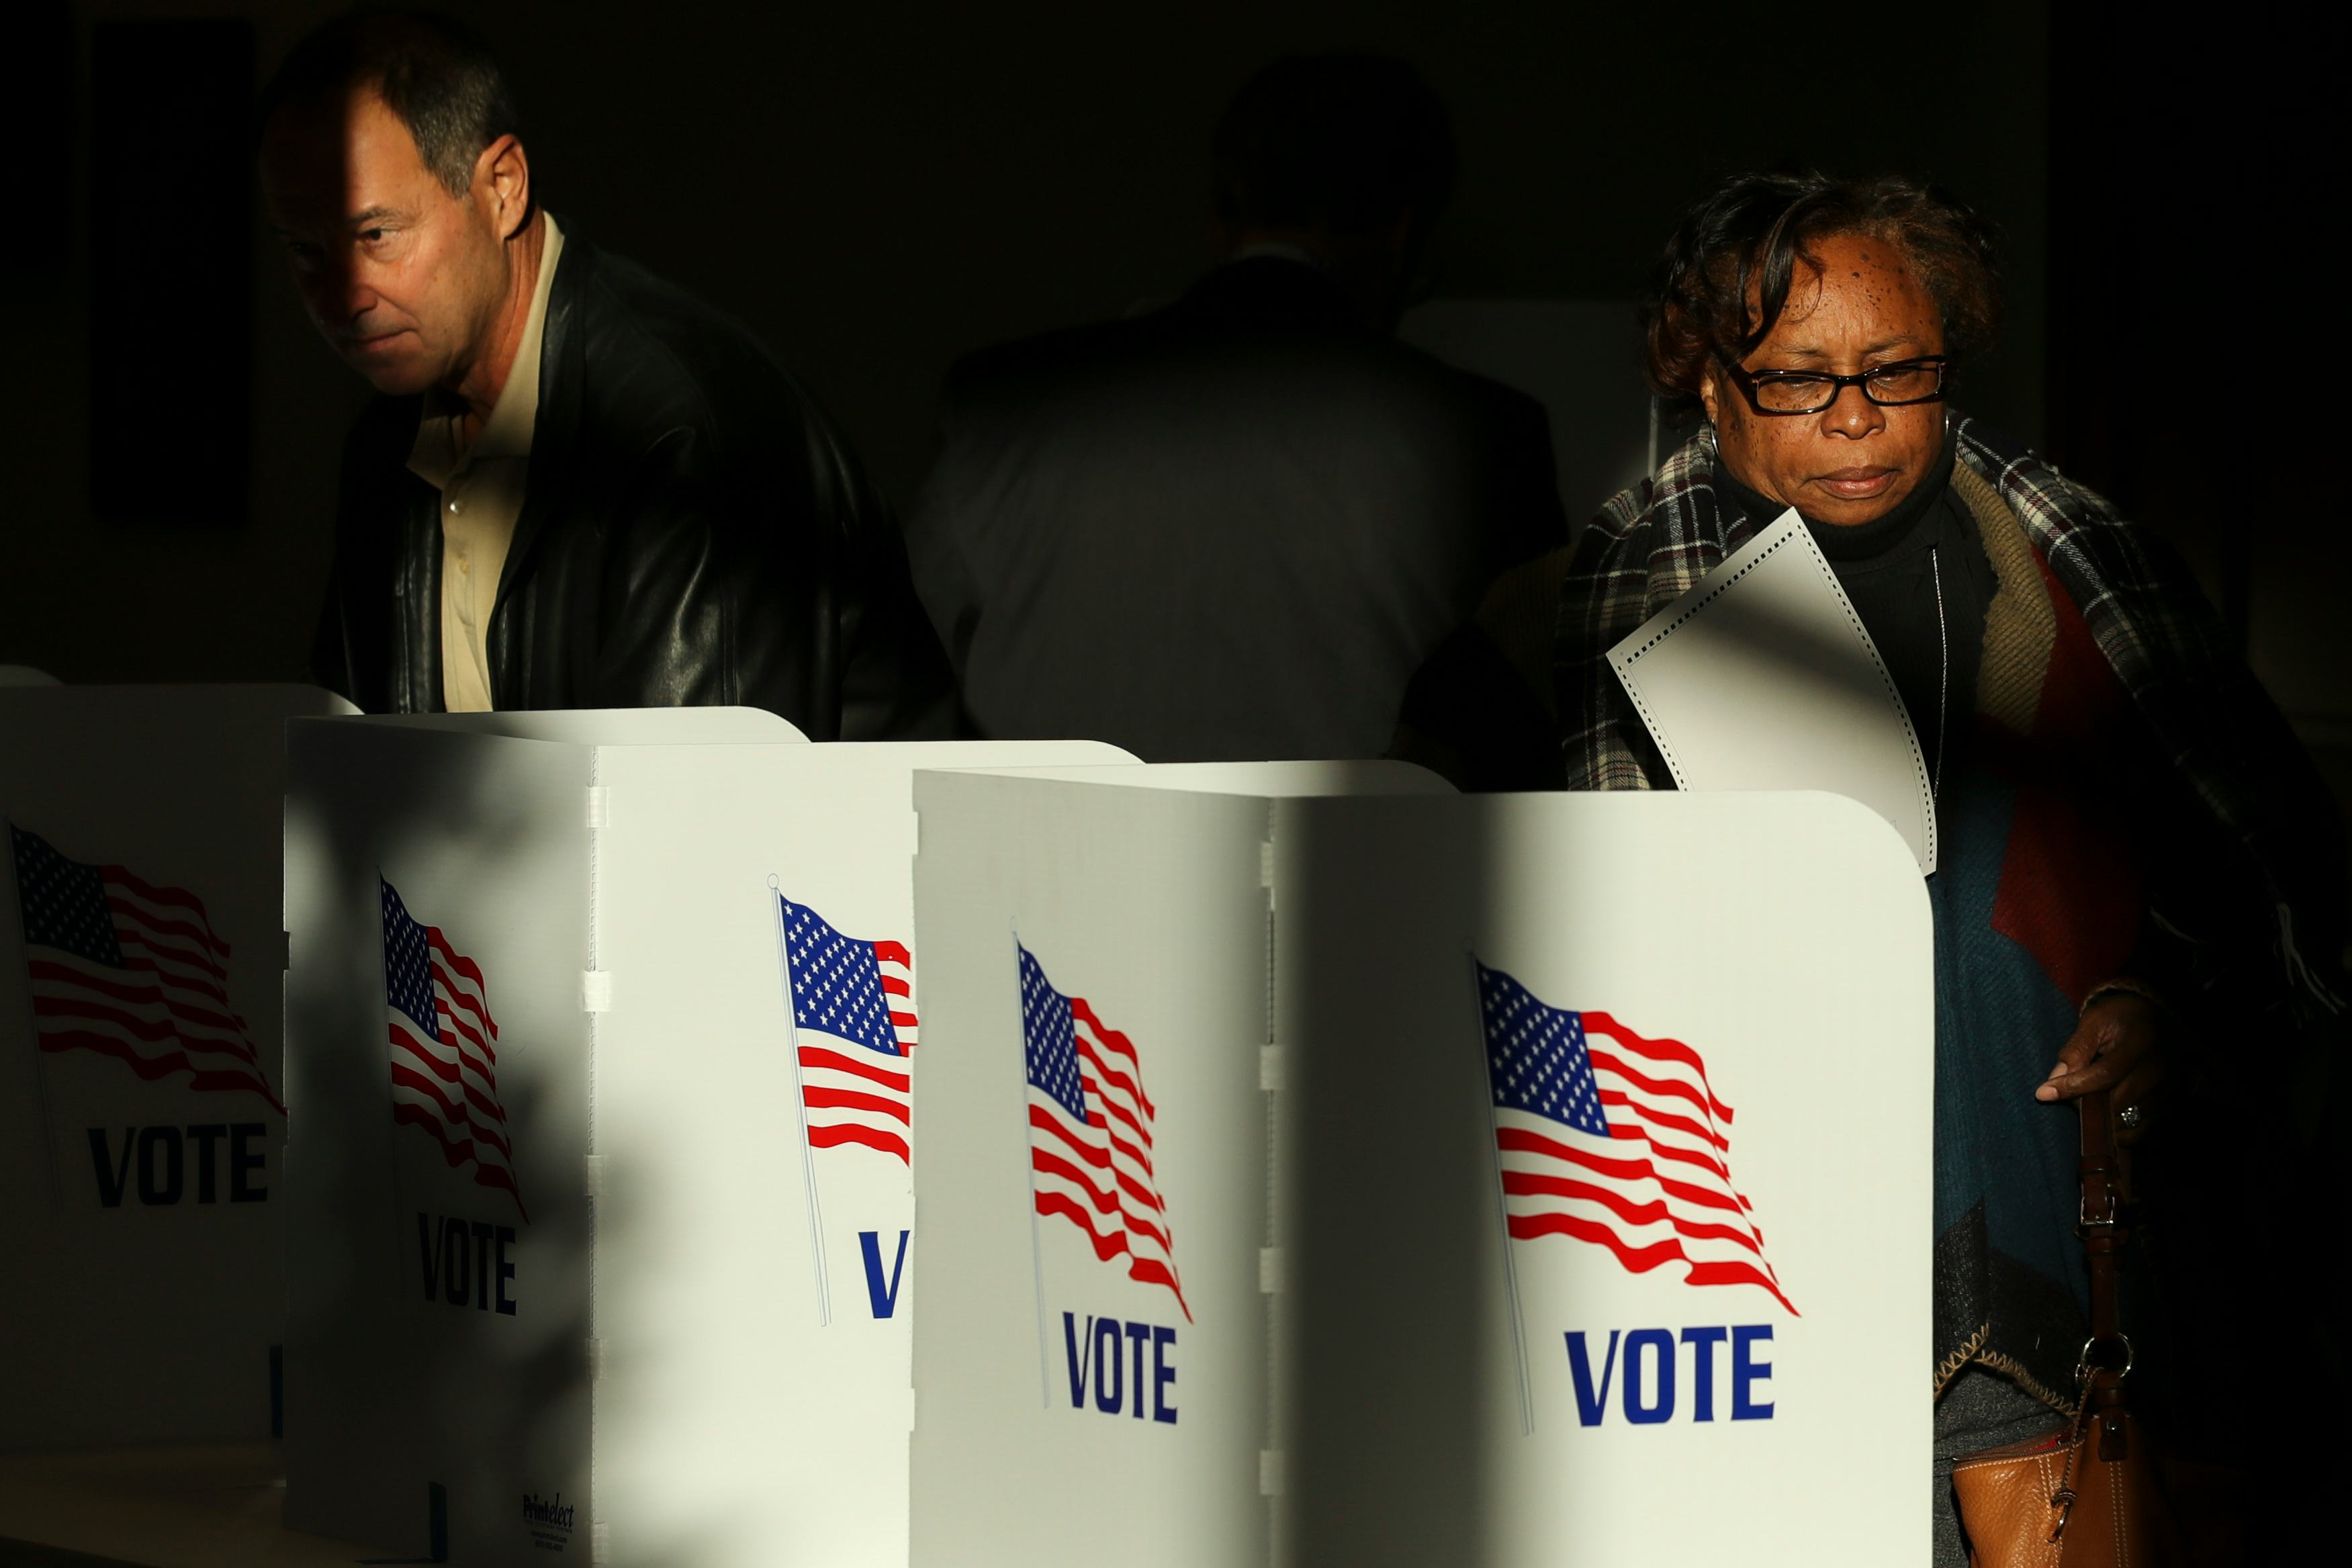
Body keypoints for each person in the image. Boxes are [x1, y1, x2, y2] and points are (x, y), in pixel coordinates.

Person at [1401, 171, 2343, 1562]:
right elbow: (1432, 938)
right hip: (1709, 1279)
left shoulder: (2073, 574)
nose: (1850, 415)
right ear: (1703, 382)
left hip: (2045, 1253)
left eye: (1893, 368)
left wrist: (2163, 1013)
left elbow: (2255, 879)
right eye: (1793, 378)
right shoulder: (1547, 626)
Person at [258, 11, 956, 735]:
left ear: (503, 186)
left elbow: (702, 820)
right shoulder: (386, 452)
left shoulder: (687, 432)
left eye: (377, 235)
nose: (342, 295)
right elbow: (353, 798)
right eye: (305, 252)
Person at [903, 53, 1562, 762]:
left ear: (1226, 210)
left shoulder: (1000, 405)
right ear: (1404, 232)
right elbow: (1530, 735)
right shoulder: (1489, 437)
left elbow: (896, 695)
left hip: (1026, 864)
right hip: (1361, 870)